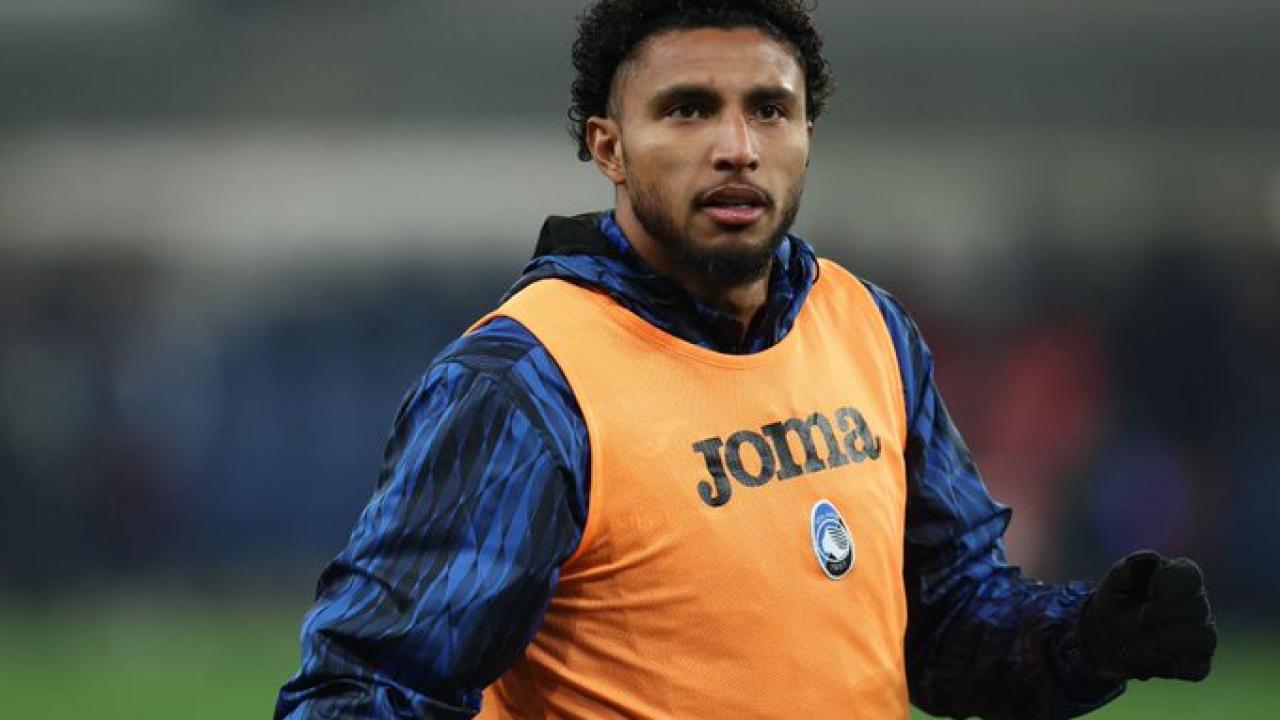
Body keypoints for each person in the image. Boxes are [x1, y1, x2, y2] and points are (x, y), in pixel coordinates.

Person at [275, 1, 1217, 718]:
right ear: (608, 147)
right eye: (688, 110)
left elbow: (947, 624)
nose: (736, 148)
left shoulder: (868, 327)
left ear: (806, 136)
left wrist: (1092, 636)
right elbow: (366, 690)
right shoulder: (528, 386)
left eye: (769, 110)